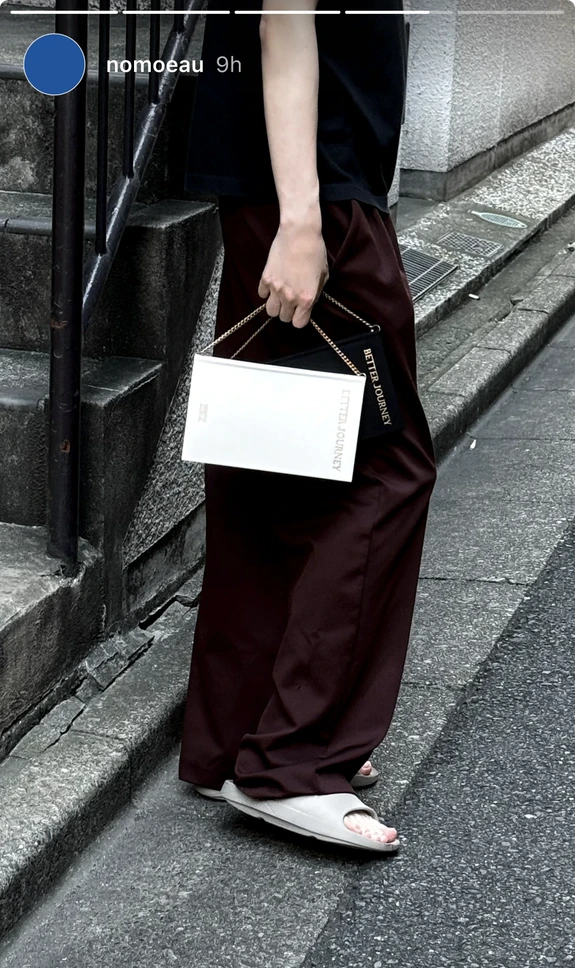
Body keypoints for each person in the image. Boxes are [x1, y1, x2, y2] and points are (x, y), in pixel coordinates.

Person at [178, 0, 437, 852]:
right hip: (314, 195)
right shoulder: (308, 208)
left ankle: (238, 737)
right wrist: (303, 218)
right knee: (385, 472)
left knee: (268, 465)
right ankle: (291, 762)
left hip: (284, 186)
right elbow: (282, 20)